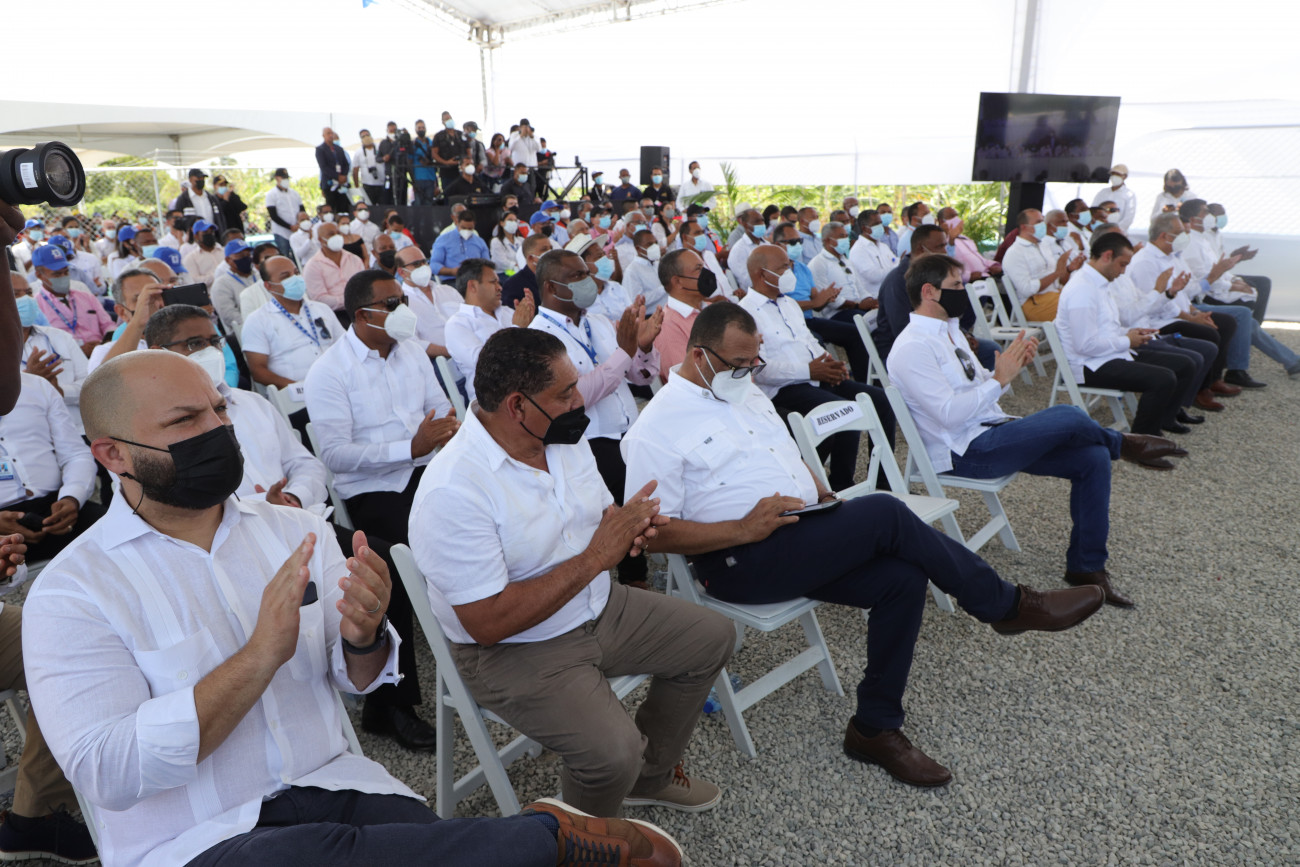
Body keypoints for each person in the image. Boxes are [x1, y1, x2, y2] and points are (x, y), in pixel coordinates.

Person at [26, 349, 680, 867]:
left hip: (341, 789)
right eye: (184, 422)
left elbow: (356, 677)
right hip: (196, 838)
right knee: (305, 856)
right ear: (112, 453)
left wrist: (364, 634)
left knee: (355, 848)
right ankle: (542, 839)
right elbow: (108, 770)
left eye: (219, 409)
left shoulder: (294, 531)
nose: (218, 430)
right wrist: (258, 657)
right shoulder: (73, 592)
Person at [622, 301, 1106, 787]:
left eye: (754, 362)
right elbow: (651, 534)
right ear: (700, 355)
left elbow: (781, 451)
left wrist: (819, 492)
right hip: (737, 559)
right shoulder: (656, 427)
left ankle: (874, 728)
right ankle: (1006, 605)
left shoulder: (743, 390)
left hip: (799, 531)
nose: (749, 372)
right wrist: (743, 529)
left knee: (902, 579)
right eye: (738, 364)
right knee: (885, 512)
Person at [411, 324, 730, 817]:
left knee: (712, 637)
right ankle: (583, 842)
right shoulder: (452, 489)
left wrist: (630, 527)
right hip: (512, 648)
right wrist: (598, 557)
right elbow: (486, 623)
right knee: (613, 754)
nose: (579, 400)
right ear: (518, 406)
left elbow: (600, 518)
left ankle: (650, 778)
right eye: (565, 393)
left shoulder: (561, 438)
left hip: (597, 605)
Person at [890, 252, 1191, 606]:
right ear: (929, 291)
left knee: (1093, 457)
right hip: (965, 452)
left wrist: (1003, 372)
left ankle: (1087, 567)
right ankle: (1125, 444)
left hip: (992, 430)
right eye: (956, 285)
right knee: (1069, 414)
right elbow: (949, 416)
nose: (964, 292)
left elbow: (980, 391)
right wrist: (999, 380)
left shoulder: (950, 331)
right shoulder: (912, 347)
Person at [305, 270, 458, 749]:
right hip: (373, 488)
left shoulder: (411, 351)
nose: (402, 310)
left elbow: (441, 409)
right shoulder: (329, 371)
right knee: (394, 565)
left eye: (402, 299)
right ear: (361, 314)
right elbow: (335, 455)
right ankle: (390, 704)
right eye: (391, 303)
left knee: (479, 521)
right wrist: (408, 448)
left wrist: (438, 439)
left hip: (426, 470)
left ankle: (485, 642)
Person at [529, 250, 662, 587]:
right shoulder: (539, 337)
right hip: (588, 441)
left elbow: (639, 376)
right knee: (630, 505)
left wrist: (643, 348)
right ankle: (635, 582)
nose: (588, 280)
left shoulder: (598, 321)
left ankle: (677, 554)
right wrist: (625, 352)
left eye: (587, 273)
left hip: (630, 429)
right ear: (551, 287)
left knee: (663, 486)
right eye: (577, 276)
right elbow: (574, 398)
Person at [739, 243, 894, 492]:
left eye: (789, 265)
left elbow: (808, 341)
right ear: (761, 274)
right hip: (785, 388)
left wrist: (830, 363)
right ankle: (839, 485)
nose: (790, 272)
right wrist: (809, 371)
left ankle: (884, 482)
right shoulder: (745, 313)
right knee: (845, 411)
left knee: (881, 400)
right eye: (783, 268)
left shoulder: (789, 304)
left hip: (817, 377)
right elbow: (761, 369)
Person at [1054, 232, 1201, 437]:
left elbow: (1106, 327)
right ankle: (1142, 441)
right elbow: (1085, 345)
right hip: (1089, 365)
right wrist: (1127, 341)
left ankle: (1164, 420)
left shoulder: (1098, 283)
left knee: (1184, 364)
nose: (1123, 272)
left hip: (1107, 355)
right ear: (1107, 256)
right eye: (1122, 264)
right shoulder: (1083, 289)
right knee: (1163, 378)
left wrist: (1130, 333)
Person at [0, 372, 104, 563]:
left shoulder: (37, 386)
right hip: (2, 523)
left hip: (58, 508)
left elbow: (76, 454)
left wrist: (72, 498)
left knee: (125, 533)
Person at [241, 256, 341, 405]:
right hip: (298, 398)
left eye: (296, 273)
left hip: (338, 385)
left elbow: (344, 346)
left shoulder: (321, 309)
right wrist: (303, 388)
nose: (295, 278)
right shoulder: (257, 321)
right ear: (269, 286)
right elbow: (258, 372)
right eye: (286, 276)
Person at [445, 258, 535, 401]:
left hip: (531, 386)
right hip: (494, 398)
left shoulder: (507, 312)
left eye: (498, 282)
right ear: (473, 286)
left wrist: (531, 326)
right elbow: (486, 365)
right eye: (493, 282)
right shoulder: (457, 324)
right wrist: (517, 329)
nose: (499, 287)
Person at [15, 277, 89, 426]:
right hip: (25, 433)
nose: (27, 299)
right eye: (16, 294)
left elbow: (91, 384)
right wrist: (29, 380)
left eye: (28, 293)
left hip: (75, 429)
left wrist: (60, 391)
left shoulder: (60, 337)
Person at [31, 245, 114, 358]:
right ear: (39, 275)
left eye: (66, 272)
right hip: (66, 360)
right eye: (57, 274)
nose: (63, 277)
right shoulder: (35, 307)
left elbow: (108, 325)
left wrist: (103, 346)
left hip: (101, 354)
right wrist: (77, 351)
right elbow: (41, 344)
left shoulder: (86, 297)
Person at [1001, 209, 1081, 322]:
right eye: (1038, 222)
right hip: (1034, 303)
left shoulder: (1044, 245)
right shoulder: (1015, 252)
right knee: (1080, 309)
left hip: (1055, 294)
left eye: (1042, 221)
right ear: (1024, 227)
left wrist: (1068, 269)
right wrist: (1057, 273)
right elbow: (1027, 289)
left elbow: (1057, 279)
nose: (1043, 225)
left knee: (1088, 299)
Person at [653, 247, 717, 377]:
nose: (706, 273)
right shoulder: (667, 327)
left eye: (703, 267)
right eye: (698, 269)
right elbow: (688, 378)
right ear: (677, 281)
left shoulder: (712, 309)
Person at [394, 246, 459, 360]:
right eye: (416, 264)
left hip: (469, 351)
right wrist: (454, 352)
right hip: (437, 361)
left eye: (424, 262)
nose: (423, 267)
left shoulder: (447, 290)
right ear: (402, 272)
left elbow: (470, 319)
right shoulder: (401, 304)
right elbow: (413, 344)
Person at [303, 223, 365, 322]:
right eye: (331, 234)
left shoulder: (354, 259)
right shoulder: (312, 266)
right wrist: (349, 300)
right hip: (334, 315)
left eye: (338, 233)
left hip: (360, 309)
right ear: (320, 239)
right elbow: (320, 299)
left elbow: (364, 287)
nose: (336, 237)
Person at [210, 240, 259, 332]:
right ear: (228, 260)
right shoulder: (221, 284)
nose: (246, 258)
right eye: (241, 256)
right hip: (244, 332)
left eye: (248, 255)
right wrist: (256, 326)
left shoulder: (259, 276)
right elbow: (229, 315)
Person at [431, 210, 492, 281]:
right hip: (453, 280)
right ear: (457, 223)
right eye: (463, 228)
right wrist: (451, 271)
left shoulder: (480, 242)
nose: (466, 230)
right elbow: (434, 265)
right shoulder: (443, 239)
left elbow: (487, 264)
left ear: (474, 225)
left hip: (475, 280)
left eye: (470, 228)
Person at [622, 230, 668, 314]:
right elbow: (636, 301)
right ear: (638, 248)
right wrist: (664, 288)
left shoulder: (657, 264)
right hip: (650, 316)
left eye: (655, 243)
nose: (655, 247)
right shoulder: (632, 270)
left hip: (667, 312)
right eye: (649, 244)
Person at [502, 234, 550, 310]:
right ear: (531, 258)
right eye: (544, 249)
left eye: (551, 248)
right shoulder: (513, 285)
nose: (550, 252)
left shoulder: (556, 278)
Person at [264, 169, 303, 260]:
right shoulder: (271, 194)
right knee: (284, 256)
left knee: (298, 257)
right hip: (281, 232)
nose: (286, 180)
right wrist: (289, 226)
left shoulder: (294, 193)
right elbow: (273, 215)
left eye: (286, 178)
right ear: (277, 178)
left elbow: (302, 210)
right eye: (283, 178)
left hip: (296, 230)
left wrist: (298, 224)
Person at [173, 168, 226, 234]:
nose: (201, 180)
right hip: (194, 237)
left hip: (213, 236)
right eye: (198, 178)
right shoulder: (183, 199)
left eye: (203, 178)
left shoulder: (212, 199)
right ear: (190, 180)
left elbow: (221, 219)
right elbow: (178, 221)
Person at [728, 208, 768, 291]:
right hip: (755, 294)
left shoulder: (767, 244)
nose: (761, 224)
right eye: (757, 221)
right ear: (745, 225)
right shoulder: (738, 250)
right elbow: (748, 281)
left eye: (762, 220)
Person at [315, 127, 352, 215]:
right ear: (323, 135)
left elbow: (346, 164)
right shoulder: (320, 149)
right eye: (328, 133)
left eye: (331, 133)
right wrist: (337, 177)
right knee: (332, 208)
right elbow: (324, 167)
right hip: (329, 184)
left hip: (342, 184)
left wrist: (343, 176)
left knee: (343, 208)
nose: (330, 135)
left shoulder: (339, 149)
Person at [1091, 163, 1137, 233]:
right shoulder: (1103, 192)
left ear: (1125, 176)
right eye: (1113, 174)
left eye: (1118, 174)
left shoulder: (1129, 195)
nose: (1114, 176)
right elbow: (1094, 210)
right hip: (1099, 229)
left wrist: (1115, 230)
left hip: (1117, 232)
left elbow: (1128, 218)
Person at [182, 219, 223, 288]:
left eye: (211, 232)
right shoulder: (191, 258)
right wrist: (217, 275)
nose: (209, 235)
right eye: (205, 232)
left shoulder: (223, 251)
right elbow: (194, 281)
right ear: (196, 236)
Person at [351, 128, 387, 206]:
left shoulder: (379, 147)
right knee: (369, 206)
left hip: (381, 183)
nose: (366, 137)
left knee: (383, 206)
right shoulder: (358, 152)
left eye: (367, 135)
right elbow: (355, 170)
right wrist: (357, 187)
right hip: (367, 185)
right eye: (363, 136)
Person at [410, 120, 441, 206]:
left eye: (423, 127)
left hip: (430, 178)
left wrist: (436, 184)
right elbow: (409, 163)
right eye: (419, 128)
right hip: (418, 178)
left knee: (429, 204)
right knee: (418, 204)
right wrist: (413, 182)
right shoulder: (413, 144)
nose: (421, 129)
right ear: (416, 129)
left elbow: (435, 160)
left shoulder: (431, 143)